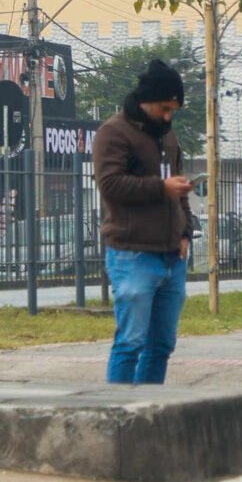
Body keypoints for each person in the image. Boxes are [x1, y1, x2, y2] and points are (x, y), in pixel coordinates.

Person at [92, 58, 194, 384]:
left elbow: (179, 191)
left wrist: (186, 232)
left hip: (171, 255)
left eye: (173, 110)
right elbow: (110, 184)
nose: (168, 116)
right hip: (132, 253)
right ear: (145, 100)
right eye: (163, 108)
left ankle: (149, 409)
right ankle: (116, 415)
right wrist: (160, 188)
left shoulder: (169, 137)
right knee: (131, 342)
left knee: (161, 345)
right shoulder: (113, 133)